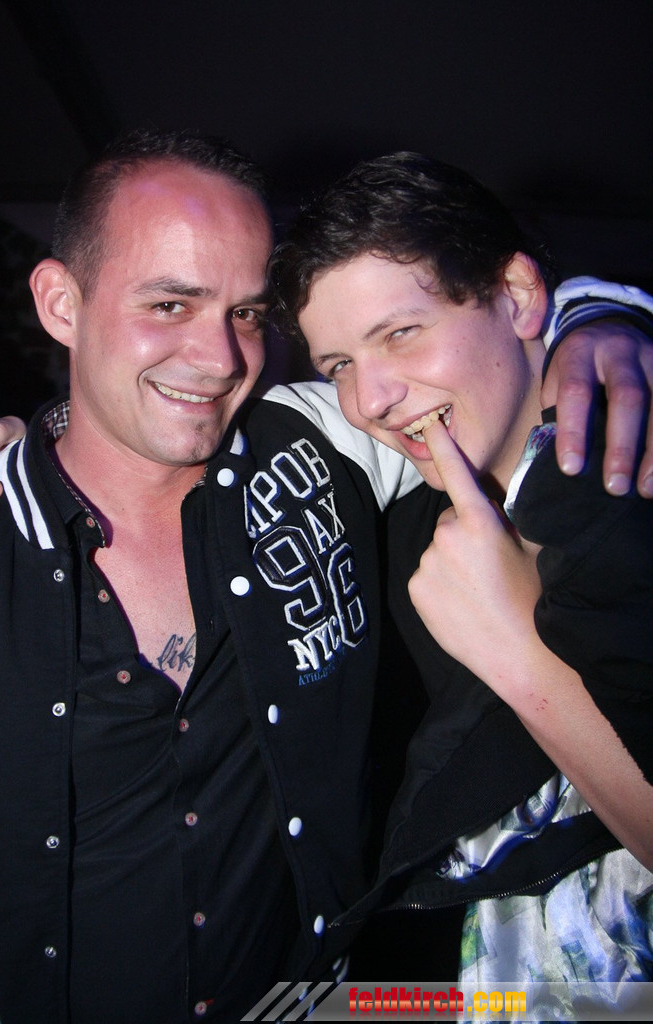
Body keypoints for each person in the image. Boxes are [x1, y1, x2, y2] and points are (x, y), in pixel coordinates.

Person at [0, 131, 652, 1023]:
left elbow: (490, 368)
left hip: (354, 1001)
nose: (220, 358)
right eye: (170, 304)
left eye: (247, 313)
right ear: (61, 303)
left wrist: (604, 321)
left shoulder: (322, 441)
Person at [269, 151, 653, 995]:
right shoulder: (406, 516)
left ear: (514, 296)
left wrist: (520, 656)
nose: (370, 400)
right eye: (337, 365)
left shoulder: (629, 486)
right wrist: (41, 451)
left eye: (400, 333)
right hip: (427, 990)